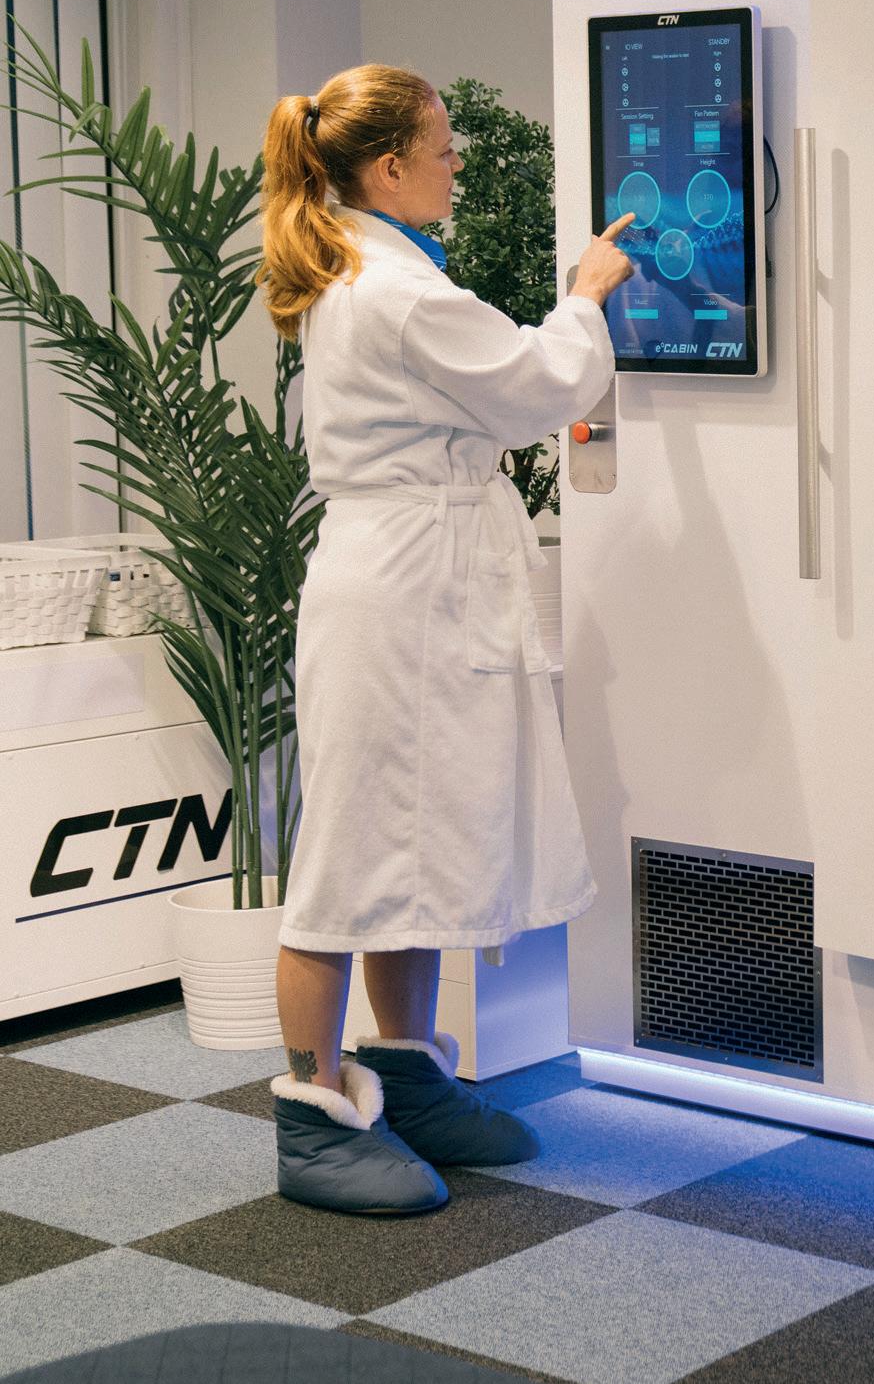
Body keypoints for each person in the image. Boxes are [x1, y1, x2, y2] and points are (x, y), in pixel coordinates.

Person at [256, 64, 634, 1214]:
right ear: (388, 168)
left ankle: (408, 1076)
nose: (456, 162)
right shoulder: (395, 290)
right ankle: (312, 1114)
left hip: (416, 578)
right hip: (399, 592)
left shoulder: (370, 268)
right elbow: (537, 385)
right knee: (348, 858)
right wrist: (586, 293)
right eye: (442, 146)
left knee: (410, 849)